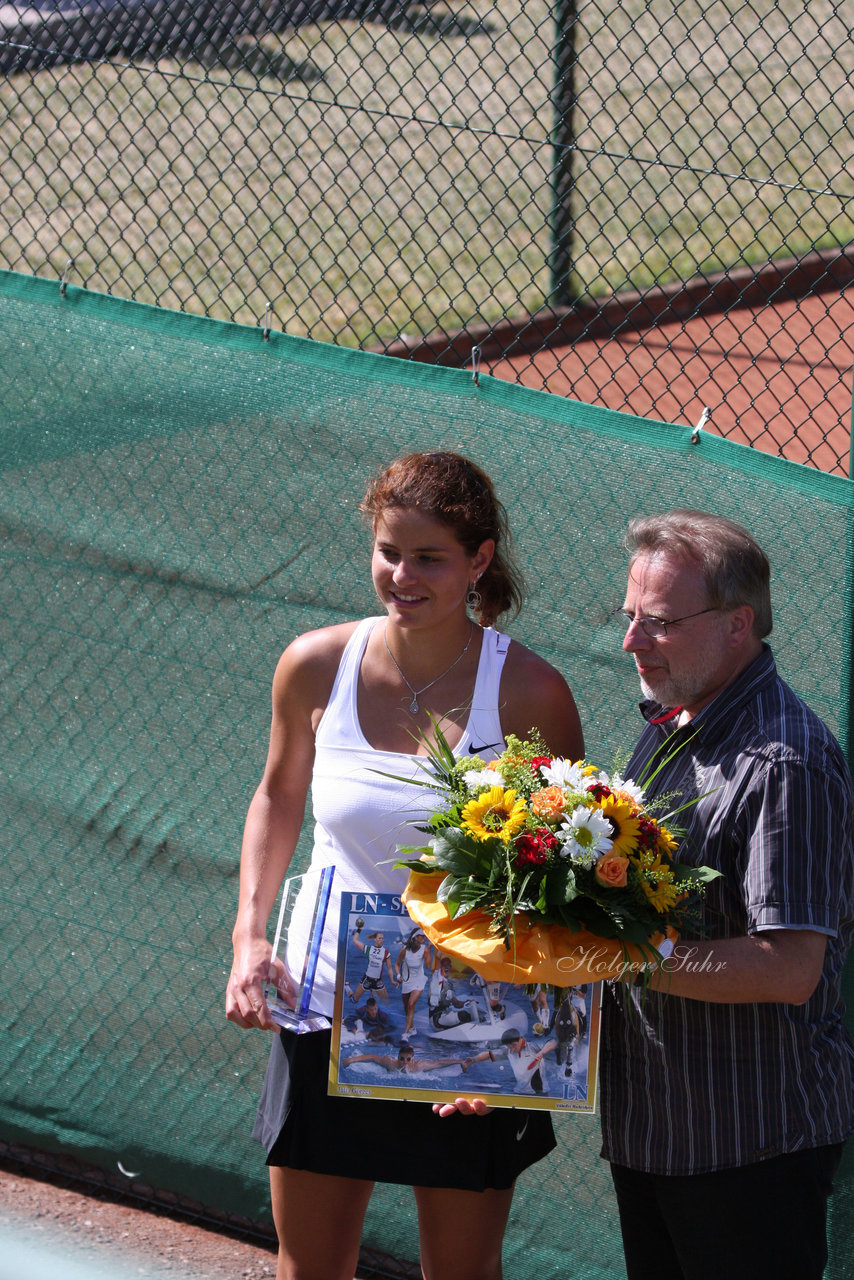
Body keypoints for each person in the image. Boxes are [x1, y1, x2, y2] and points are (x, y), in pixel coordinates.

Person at [225, 450, 584, 1280]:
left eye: (430, 557)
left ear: (479, 561)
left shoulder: (532, 694)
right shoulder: (314, 664)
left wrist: (515, 1046)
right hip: (322, 1005)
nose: (402, 575)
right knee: (309, 1267)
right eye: (389, 551)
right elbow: (277, 798)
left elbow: (559, 885)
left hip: (470, 1021)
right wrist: (250, 939)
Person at [600, 509, 854, 1280]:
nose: (631, 643)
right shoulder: (673, 723)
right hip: (655, 1133)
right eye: (630, 618)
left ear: (737, 624)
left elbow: (789, 968)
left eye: (660, 623)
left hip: (749, 1149)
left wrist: (620, 957)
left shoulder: (785, 763)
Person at [395, 926, 433, 1040]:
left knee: (411, 1004)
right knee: (406, 1007)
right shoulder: (404, 950)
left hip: (419, 980)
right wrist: (398, 976)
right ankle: (412, 1028)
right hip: (407, 981)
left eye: (424, 936)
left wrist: (429, 951)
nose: (424, 938)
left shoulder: (425, 949)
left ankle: (405, 1034)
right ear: (415, 937)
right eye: (422, 936)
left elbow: (427, 966)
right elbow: (397, 964)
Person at [349, 926, 396, 1004]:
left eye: (382, 938)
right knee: (354, 1000)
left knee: (386, 1003)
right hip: (367, 979)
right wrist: (359, 929)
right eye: (379, 938)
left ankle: (372, 993)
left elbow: (390, 968)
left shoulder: (385, 952)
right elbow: (355, 940)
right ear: (375, 939)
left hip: (377, 981)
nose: (381, 940)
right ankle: (346, 987)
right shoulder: (369, 949)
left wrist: (392, 980)